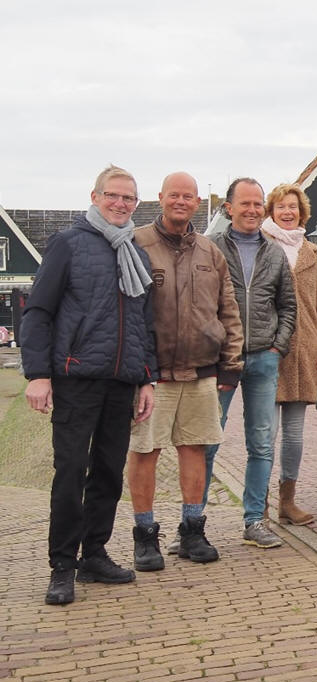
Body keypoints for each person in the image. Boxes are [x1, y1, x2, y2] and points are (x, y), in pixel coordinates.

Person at [23, 165, 158, 605]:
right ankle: (62, 565)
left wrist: (146, 379)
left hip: (121, 381)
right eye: (113, 196)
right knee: (70, 472)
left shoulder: (135, 254)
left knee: (107, 472)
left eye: (129, 198)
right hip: (76, 377)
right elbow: (39, 312)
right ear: (95, 196)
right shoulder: (68, 243)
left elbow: (143, 323)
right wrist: (38, 374)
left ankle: (94, 554)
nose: (121, 204)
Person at [126, 172, 243, 570]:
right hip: (152, 374)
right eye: (173, 195)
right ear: (160, 198)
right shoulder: (136, 244)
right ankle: (145, 536)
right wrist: (136, 369)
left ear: (197, 202)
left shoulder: (211, 253)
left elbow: (229, 311)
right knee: (145, 451)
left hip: (201, 371)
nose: (181, 201)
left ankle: (193, 529)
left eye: (188, 196)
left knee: (195, 448)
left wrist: (230, 366)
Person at [207, 177, 297, 549]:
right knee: (207, 441)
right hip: (221, 360)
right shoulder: (209, 249)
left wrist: (278, 346)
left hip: (264, 357)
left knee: (261, 443)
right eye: (244, 203)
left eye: (258, 204)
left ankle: (254, 520)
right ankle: (192, 522)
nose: (252, 210)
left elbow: (287, 306)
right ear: (229, 208)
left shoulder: (274, 252)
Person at [260, 183, 317, 526]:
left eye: (293, 206)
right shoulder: (260, 246)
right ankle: (256, 504)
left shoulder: (311, 252)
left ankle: (287, 501)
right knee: (265, 434)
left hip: (304, 352)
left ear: (302, 212)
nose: (288, 212)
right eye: (281, 207)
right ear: (271, 211)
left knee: (293, 435)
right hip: (268, 350)